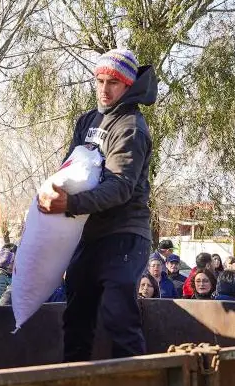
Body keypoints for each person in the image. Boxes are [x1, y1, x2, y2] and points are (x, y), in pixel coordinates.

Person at [37, 48, 156, 362]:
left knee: (119, 314)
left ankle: (136, 384)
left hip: (124, 234)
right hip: (89, 234)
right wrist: (51, 190)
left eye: (113, 83)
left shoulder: (130, 127)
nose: (104, 89)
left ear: (128, 86)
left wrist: (70, 203)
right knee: (76, 313)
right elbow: (69, 165)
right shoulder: (88, 120)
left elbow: (120, 188)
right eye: (99, 81)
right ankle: (74, 382)